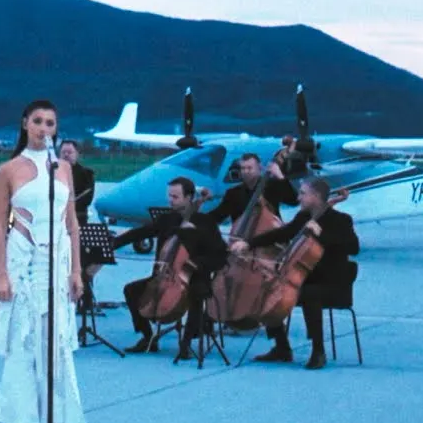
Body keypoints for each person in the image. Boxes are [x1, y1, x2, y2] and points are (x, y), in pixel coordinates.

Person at [0, 100, 86, 423]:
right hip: (23, 261)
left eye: (51, 123)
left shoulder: (63, 168)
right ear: (25, 124)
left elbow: (72, 223)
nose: (45, 129)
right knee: (24, 345)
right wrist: (1, 273)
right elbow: (0, 225)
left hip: (57, 262)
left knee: (55, 347)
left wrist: (76, 270)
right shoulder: (9, 169)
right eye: (38, 121)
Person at [230, 177, 358, 370]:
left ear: (316, 196)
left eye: (303, 194)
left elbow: (354, 248)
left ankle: (318, 351)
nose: (298, 198)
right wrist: (249, 243)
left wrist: (321, 235)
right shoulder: (304, 217)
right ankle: (281, 347)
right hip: (304, 279)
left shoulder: (341, 220)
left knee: (309, 294)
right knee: (266, 287)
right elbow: (282, 233)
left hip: (332, 283)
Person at [113, 177, 221, 357]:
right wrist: (115, 243)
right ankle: (148, 337)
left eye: (175, 197)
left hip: (195, 276)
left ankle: (186, 343)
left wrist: (194, 264)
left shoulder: (204, 222)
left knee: (196, 293)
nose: (170, 200)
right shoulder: (167, 219)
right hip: (167, 276)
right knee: (131, 290)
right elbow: (141, 232)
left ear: (189, 198)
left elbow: (217, 255)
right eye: (169, 196)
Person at [203, 152, 298, 226]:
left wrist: (280, 177)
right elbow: (218, 215)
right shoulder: (233, 193)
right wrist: (198, 219)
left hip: (270, 236)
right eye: (243, 168)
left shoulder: (271, 186)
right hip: (242, 239)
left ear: (259, 168)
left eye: (249, 168)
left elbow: (293, 201)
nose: (245, 171)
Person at [58, 140, 94, 227]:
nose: (66, 155)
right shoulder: (51, 172)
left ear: (77, 154)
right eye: (63, 152)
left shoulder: (86, 173)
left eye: (69, 152)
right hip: (56, 219)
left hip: (78, 218)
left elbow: (87, 199)